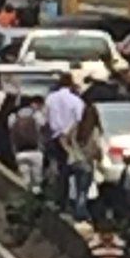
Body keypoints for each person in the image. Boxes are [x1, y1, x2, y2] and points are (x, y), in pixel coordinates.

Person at [45, 73, 85, 203]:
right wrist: (68, 134)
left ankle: (54, 195)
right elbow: (79, 120)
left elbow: (46, 117)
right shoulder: (76, 100)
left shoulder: (50, 98)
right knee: (70, 168)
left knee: (54, 166)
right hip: (69, 139)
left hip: (54, 135)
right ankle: (66, 198)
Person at [64, 101, 105, 221]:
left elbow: (66, 138)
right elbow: (95, 149)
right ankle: (80, 213)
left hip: (74, 161)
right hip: (87, 163)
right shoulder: (94, 130)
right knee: (83, 191)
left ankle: (75, 209)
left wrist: (71, 151)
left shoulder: (76, 126)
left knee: (76, 188)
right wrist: (99, 158)